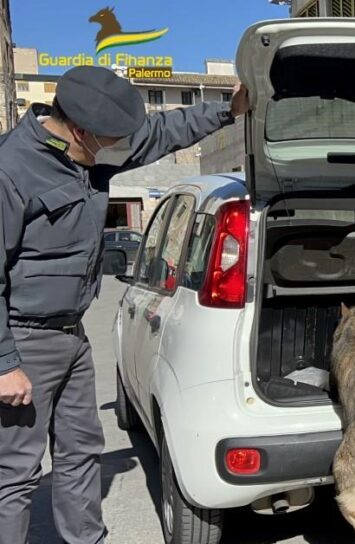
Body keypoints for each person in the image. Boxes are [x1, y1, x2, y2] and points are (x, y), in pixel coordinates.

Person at [0, 65, 249, 544]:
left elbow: (161, 132)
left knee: (82, 450)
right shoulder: (11, 169)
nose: (123, 147)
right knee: (14, 471)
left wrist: (228, 110)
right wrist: (4, 362)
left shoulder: (92, 151)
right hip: (23, 340)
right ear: (80, 131)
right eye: (114, 139)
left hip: (72, 335)